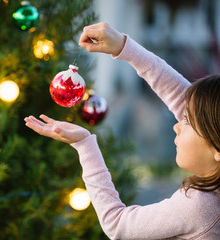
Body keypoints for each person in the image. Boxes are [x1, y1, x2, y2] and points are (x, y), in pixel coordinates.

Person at [24, 22, 220, 239]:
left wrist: (85, 145)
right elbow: (185, 100)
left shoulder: (200, 208)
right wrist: (123, 48)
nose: (177, 125)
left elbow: (117, 225)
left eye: (188, 121)